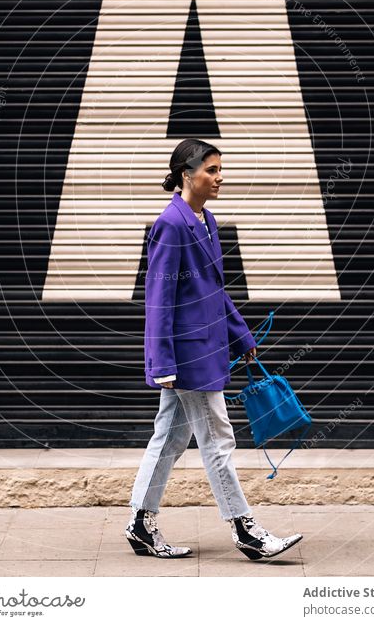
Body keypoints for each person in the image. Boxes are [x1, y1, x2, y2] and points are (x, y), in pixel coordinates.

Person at [125, 138, 303, 561]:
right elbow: (158, 299)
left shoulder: (206, 220)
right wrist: (162, 361)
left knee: (169, 439)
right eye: (211, 169)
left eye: (220, 169)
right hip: (188, 358)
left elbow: (213, 290)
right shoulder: (170, 224)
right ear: (187, 174)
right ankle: (247, 531)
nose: (219, 177)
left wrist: (240, 335)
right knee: (219, 439)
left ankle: (139, 525)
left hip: (207, 349)